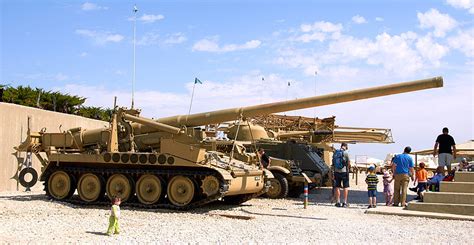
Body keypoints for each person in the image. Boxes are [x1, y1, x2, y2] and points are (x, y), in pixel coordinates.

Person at [332, 143, 351, 208]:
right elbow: (348, 163)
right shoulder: (345, 153)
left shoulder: (335, 152)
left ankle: (338, 202)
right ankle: (344, 202)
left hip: (336, 172)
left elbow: (333, 163)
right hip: (344, 172)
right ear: (346, 147)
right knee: (345, 187)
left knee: (337, 187)